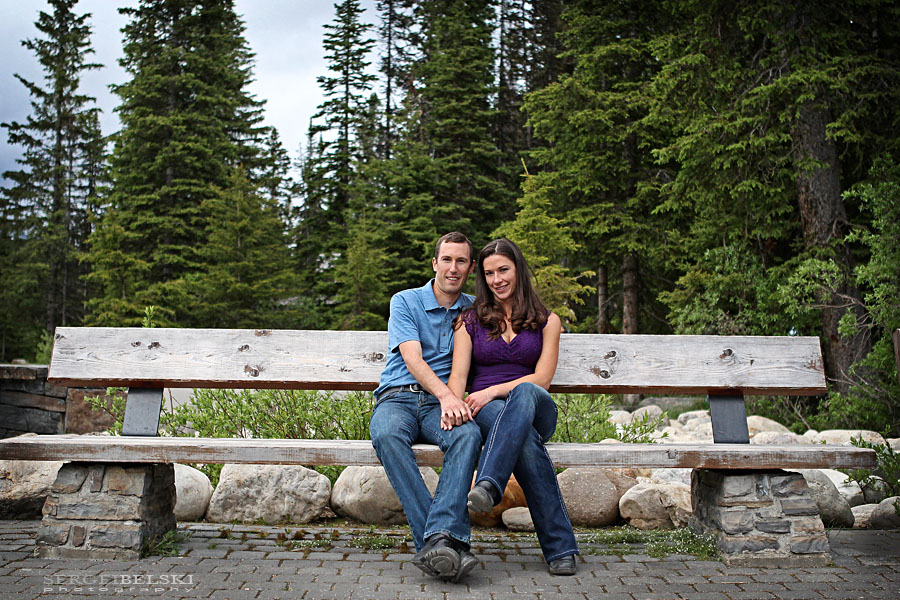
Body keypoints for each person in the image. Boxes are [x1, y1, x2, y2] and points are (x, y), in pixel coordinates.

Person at [447, 238, 579, 576]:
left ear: (518, 269)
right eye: (489, 273)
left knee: (522, 394)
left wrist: (491, 391)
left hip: (536, 406)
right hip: (488, 414)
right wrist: (451, 405)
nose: (497, 279)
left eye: (503, 270)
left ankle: (490, 481)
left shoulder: (548, 321)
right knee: (525, 444)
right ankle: (560, 549)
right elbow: (459, 377)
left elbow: (542, 379)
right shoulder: (469, 321)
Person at [369, 232, 483, 582]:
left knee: (468, 435)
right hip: (398, 397)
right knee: (387, 434)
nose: (453, 268)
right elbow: (412, 358)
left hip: (440, 406)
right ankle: (442, 542)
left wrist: (451, 399)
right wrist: (448, 396)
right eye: (446, 260)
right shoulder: (405, 301)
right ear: (435, 263)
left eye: (461, 261)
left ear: (470, 267)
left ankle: (436, 543)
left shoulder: (475, 309)